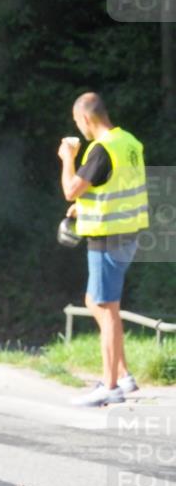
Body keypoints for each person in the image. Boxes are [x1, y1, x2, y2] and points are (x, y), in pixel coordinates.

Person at [58, 92, 149, 406]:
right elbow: (114, 188)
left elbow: (71, 190)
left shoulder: (100, 150)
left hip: (108, 237)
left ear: (85, 119)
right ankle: (123, 375)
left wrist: (67, 157)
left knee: (106, 308)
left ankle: (110, 386)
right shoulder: (129, 142)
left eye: (76, 122)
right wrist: (83, 210)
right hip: (129, 233)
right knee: (95, 300)